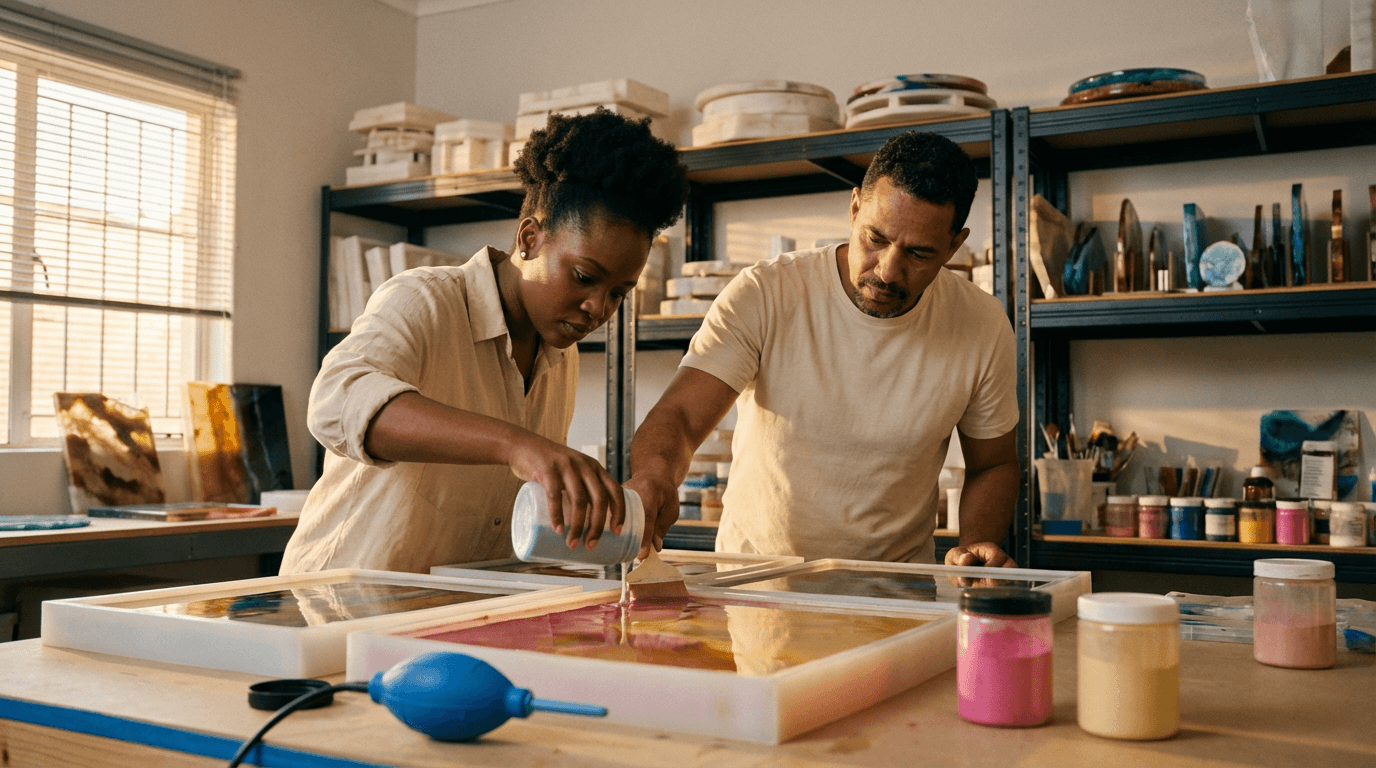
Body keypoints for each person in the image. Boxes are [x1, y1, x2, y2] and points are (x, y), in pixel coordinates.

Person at [281, 111, 687, 574]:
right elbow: (336, 401)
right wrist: (517, 445)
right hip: (338, 612)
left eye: (618, 292)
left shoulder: (560, 357)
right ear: (530, 239)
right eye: (583, 277)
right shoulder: (425, 300)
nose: (599, 308)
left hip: (445, 619)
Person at [626, 131, 1019, 567]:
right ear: (854, 209)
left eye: (919, 254)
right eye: (876, 239)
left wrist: (977, 543)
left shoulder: (981, 325)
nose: (887, 271)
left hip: (896, 593)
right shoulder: (767, 292)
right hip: (757, 588)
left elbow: (993, 464)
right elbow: (679, 417)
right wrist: (655, 473)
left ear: (953, 246)